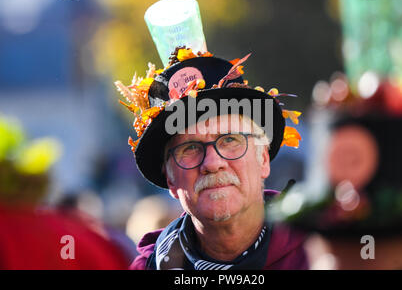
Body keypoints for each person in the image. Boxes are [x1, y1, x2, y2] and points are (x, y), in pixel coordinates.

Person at [115, 44, 308, 270]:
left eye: (229, 140)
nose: (213, 163)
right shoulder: (150, 267)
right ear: (170, 180)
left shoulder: (325, 250)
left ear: (263, 159)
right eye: (190, 148)